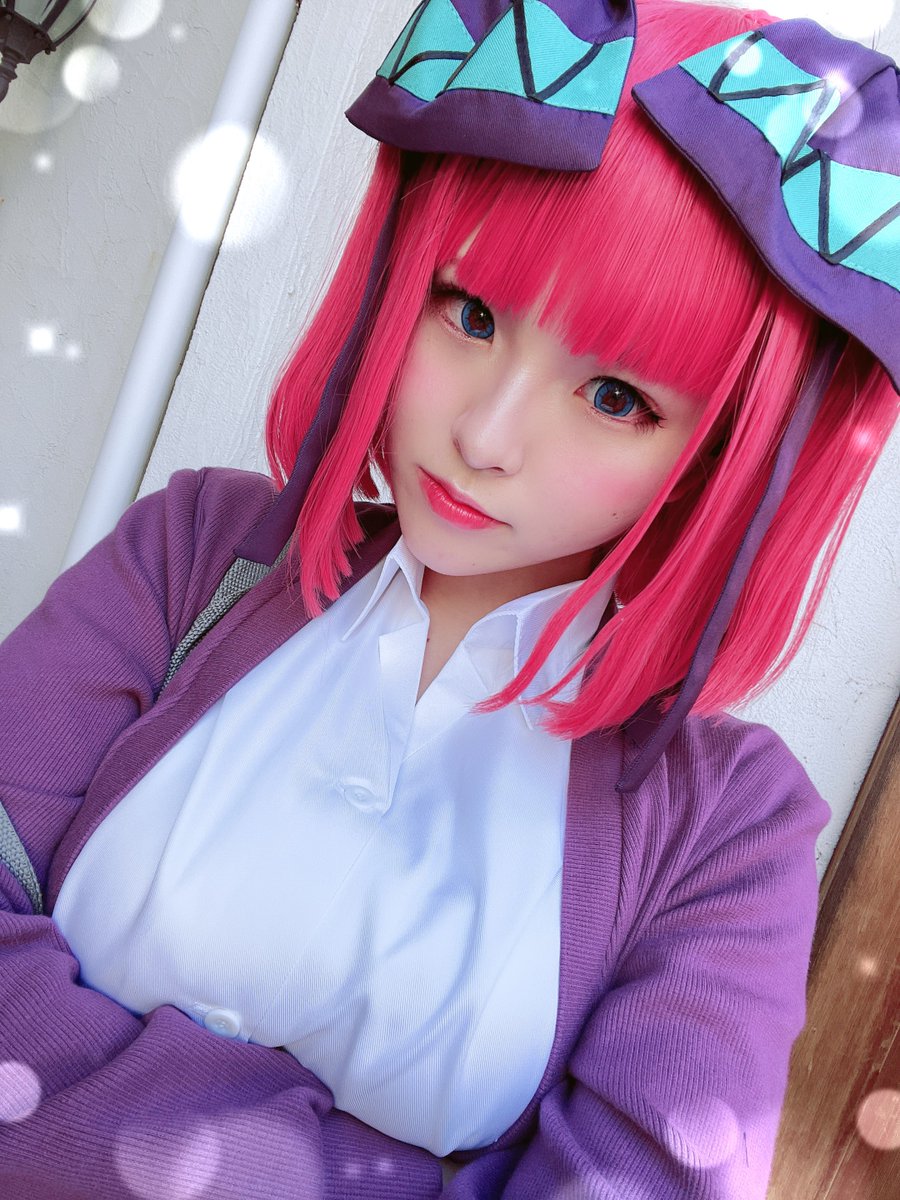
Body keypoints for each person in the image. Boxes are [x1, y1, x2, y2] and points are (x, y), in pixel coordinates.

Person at [0, 1, 897, 1197]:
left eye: (616, 397)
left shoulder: (727, 832)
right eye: (469, 313)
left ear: (723, 454)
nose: (484, 436)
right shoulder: (194, 554)